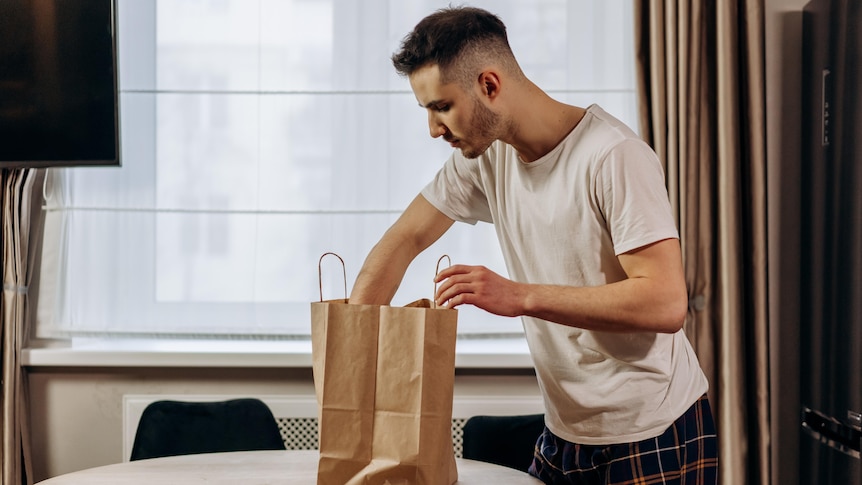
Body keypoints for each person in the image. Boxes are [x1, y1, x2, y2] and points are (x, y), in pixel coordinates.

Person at [348, 6, 718, 484]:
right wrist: (354, 343)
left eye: (441, 107)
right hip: (564, 432)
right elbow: (404, 239)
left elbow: (666, 302)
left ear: (489, 85)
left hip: (649, 430)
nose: (434, 130)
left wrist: (519, 296)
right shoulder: (484, 159)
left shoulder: (613, 157)